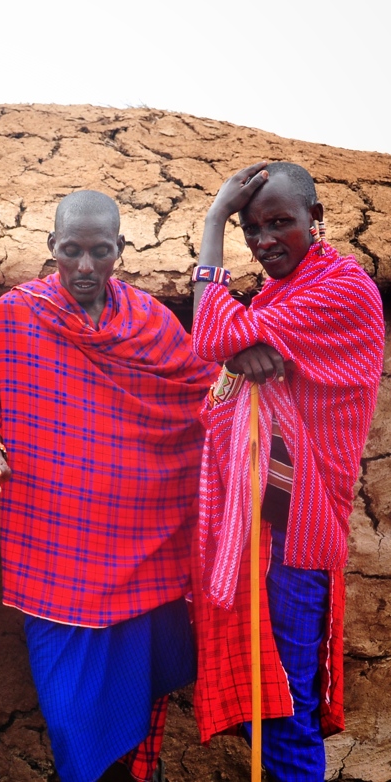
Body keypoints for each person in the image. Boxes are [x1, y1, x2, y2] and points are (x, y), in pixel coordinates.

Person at [0, 190, 216, 782]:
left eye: (99, 251)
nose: (84, 267)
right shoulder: (16, 314)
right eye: (70, 251)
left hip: (140, 551)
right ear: (51, 248)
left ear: (120, 251)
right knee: (71, 715)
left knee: (137, 704)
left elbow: (202, 395)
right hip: (52, 555)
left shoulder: (150, 322)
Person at [190, 162, 384, 780]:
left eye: (280, 223)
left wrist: (214, 220)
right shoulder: (281, 294)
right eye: (250, 228)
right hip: (263, 522)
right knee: (267, 702)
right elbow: (222, 351)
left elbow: (208, 331)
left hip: (296, 531)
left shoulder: (342, 289)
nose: (264, 240)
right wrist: (238, 348)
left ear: (316, 220)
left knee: (285, 707)